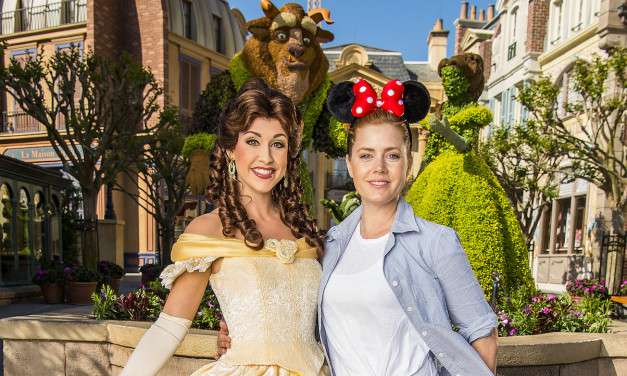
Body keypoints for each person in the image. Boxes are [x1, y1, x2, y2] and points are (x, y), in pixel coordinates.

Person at [219, 79, 498, 375]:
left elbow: (483, 335)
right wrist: (239, 334)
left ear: (408, 163)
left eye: (392, 155)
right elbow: (297, 323)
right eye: (366, 155)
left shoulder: (436, 242)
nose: (379, 167)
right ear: (350, 165)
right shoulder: (328, 246)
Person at [121, 78, 328, 376]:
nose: (266, 157)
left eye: (278, 144)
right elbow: (168, 328)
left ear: (289, 154)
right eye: (253, 141)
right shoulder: (209, 230)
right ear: (231, 149)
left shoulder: (305, 231)